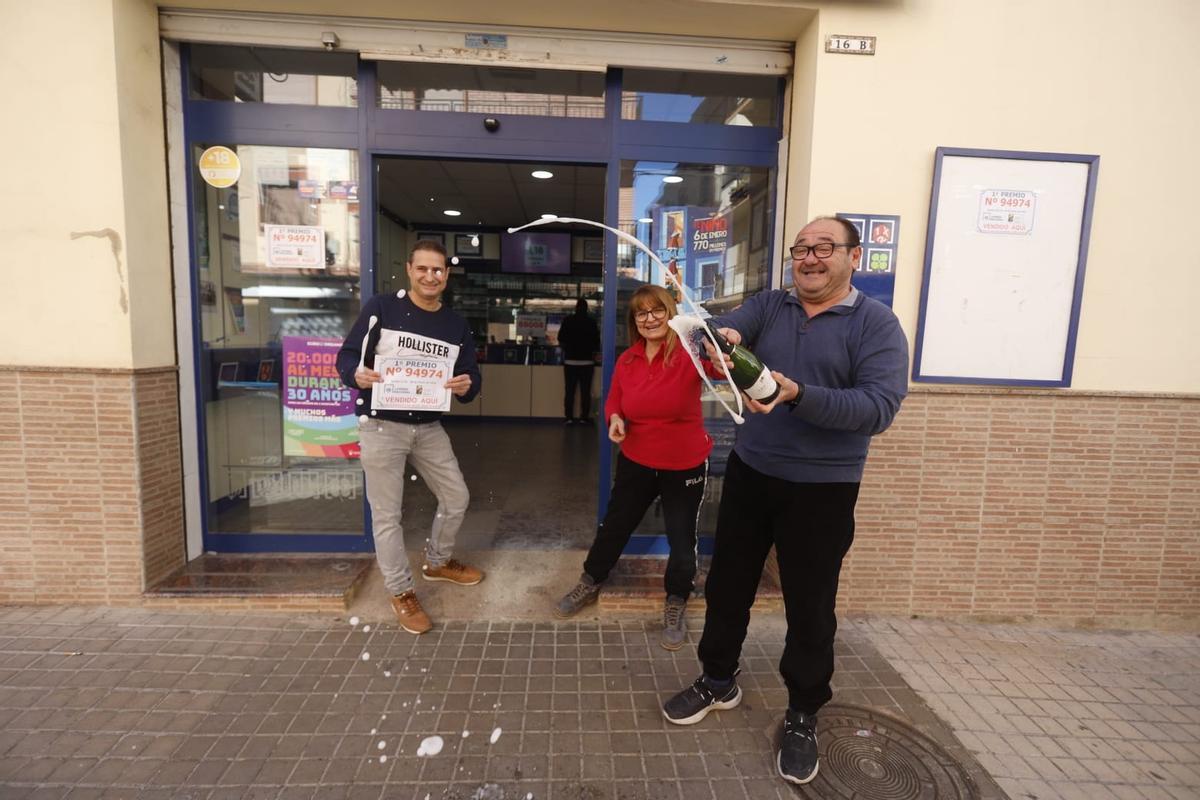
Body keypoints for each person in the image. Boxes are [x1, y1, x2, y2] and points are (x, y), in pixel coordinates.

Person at [660, 216, 909, 786]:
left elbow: (878, 409)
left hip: (823, 488)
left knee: (810, 607)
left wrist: (797, 394)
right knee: (727, 586)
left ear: (853, 256)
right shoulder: (772, 305)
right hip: (752, 472)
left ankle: (802, 712)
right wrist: (714, 335)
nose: (810, 258)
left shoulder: (876, 324)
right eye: (801, 249)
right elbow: (729, 330)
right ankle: (717, 679)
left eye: (824, 247)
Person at [554, 285, 715, 651]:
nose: (649, 318)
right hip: (637, 459)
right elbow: (615, 399)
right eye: (641, 313)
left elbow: (723, 370)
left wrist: (723, 355)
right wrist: (614, 418)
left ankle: (677, 598)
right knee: (615, 525)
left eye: (657, 310)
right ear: (634, 321)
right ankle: (591, 579)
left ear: (671, 313)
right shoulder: (628, 359)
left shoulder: (691, 356)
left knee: (681, 537)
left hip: (684, 463)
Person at [336, 240, 484, 636]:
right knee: (387, 516)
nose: (430, 276)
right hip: (381, 425)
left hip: (429, 427)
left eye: (437, 270)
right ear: (409, 270)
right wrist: (356, 375)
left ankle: (437, 561)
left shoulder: (455, 325)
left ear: (446, 275)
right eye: (423, 269)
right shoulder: (381, 309)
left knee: (456, 496)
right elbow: (347, 357)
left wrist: (466, 385)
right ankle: (400, 591)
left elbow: (471, 378)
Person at [557, 298, 600, 424]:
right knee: (585, 392)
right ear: (587, 309)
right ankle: (584, 418)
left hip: (570, 361)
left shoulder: (568, 321)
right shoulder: (591, 322)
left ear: (576, 308)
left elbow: (561, 338)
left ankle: (569, 417)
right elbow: (596, 342)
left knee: (569, 391)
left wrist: (568, 349)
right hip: (587, 362)